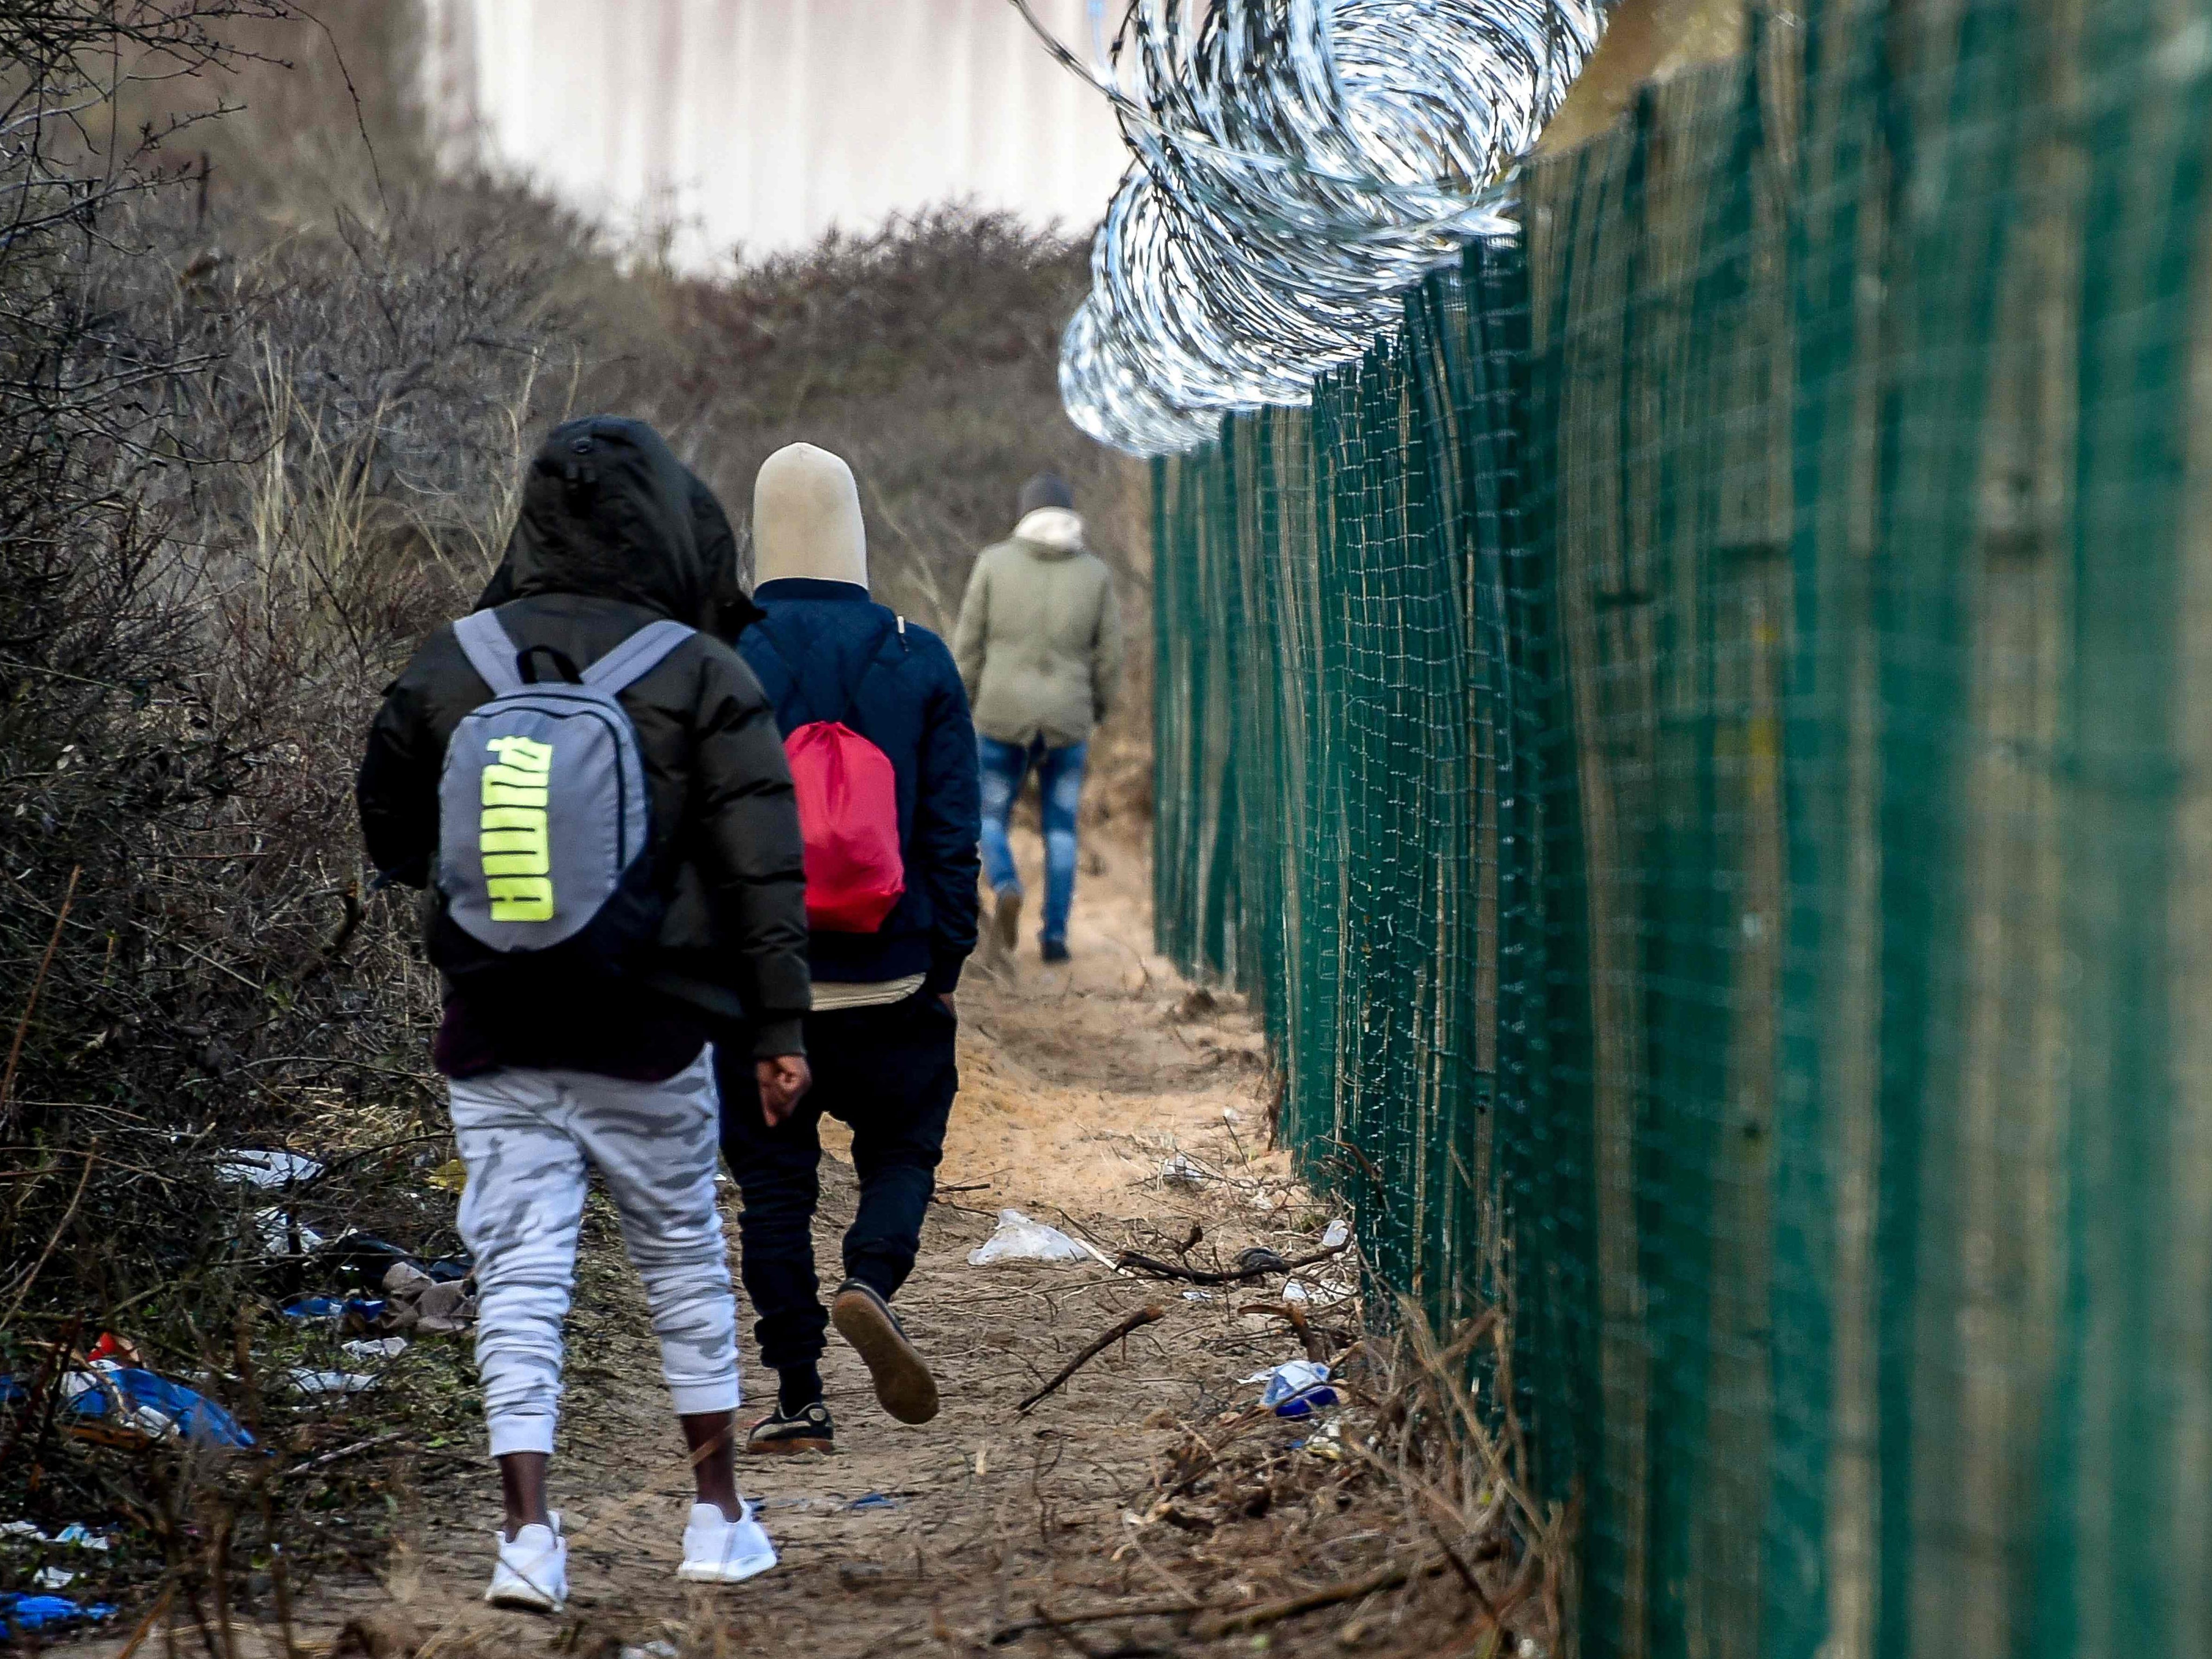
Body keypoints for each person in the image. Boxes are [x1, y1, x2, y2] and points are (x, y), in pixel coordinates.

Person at [356, 417, 812, 1610]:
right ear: (667, 516)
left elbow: (391, 831)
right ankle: (716, 1518)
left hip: (495, 1025)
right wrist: (779, 1032)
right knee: (680, 1261)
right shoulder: (704, 668)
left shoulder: (456, 658)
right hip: (651, 1032)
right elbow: (764, 869)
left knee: (518, 1273)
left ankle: (527, 1538)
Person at [719, 442, 980, 1454]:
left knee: (775, 1182)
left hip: (767, 994)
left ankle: (797, 1397)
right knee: (905, 1140)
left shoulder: (719, 658)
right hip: (895, 975)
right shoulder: (918, 655)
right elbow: (951, 840)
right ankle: (870, 1275)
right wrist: (943, 970)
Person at [952, 471, 1123, 964]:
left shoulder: (992, 563)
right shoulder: (1094, 574)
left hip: (1000, 716)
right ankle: (1054, 938)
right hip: (1067, 721)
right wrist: (1097, 710)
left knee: (986, 815)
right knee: (1062, 829)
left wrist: (964, 702)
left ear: (1024, 514)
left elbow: (968, 645)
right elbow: (1109, 656)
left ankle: (1005, 882)